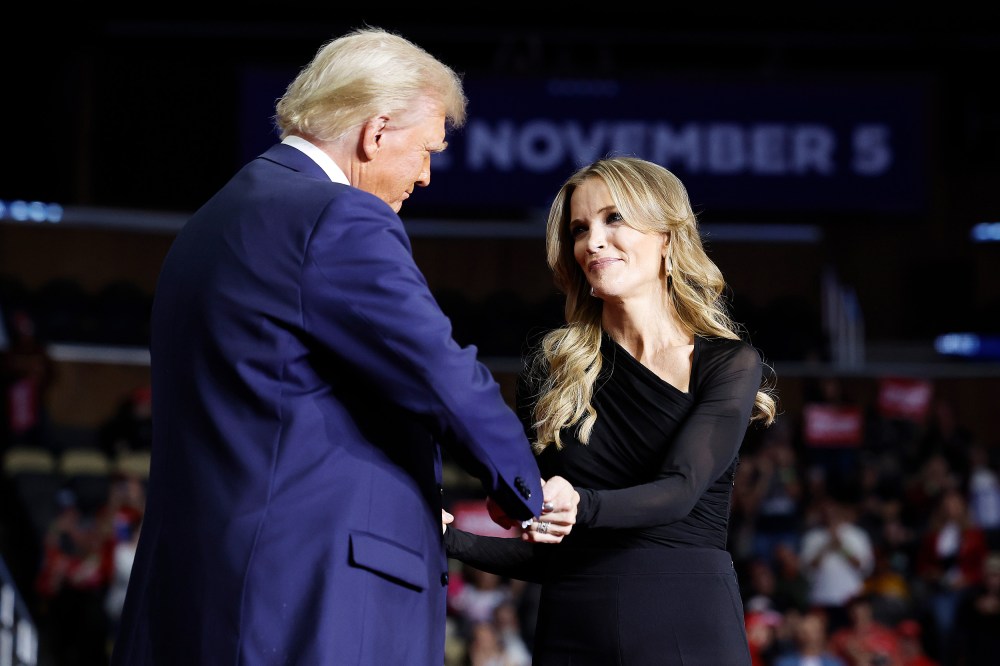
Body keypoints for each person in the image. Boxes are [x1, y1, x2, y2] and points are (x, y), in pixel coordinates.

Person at [110, 26, 565, 666]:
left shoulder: (211, 221)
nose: (426, 176)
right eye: (426, 150)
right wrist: (525, 492)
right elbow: (440, 373)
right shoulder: (337, 217)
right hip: (307, 602)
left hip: (195, 599)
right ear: (376, 132)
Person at [443, 156, 778, 664]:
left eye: (613, 218)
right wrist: (450, 539)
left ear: (666, 237)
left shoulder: (728, 362)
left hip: (688, 626)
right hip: (572, 629)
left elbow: (680, 489)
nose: (592, 242)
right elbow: (550, 551)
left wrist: (579, 504)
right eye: (580, 229)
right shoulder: (553, 372)